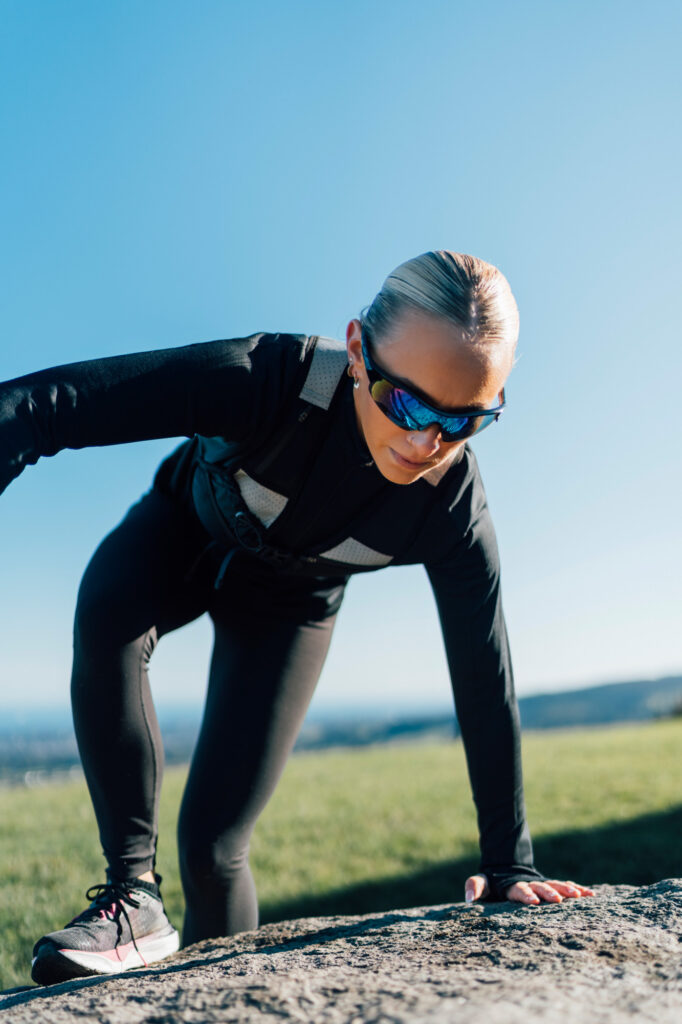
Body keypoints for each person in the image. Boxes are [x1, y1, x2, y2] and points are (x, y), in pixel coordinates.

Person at [0, 250, 593, 986]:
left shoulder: (451, 506)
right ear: (355, 350)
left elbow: (483, 670)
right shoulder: (269, 380)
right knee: (109, 616)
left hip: (290, 608)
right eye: (405, 405)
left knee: (215, 846)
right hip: (185, 536)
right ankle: (133, 897)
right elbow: (37, 409)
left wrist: (509, 864)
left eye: (467, 420)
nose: (425, 444)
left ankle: (218, 999)